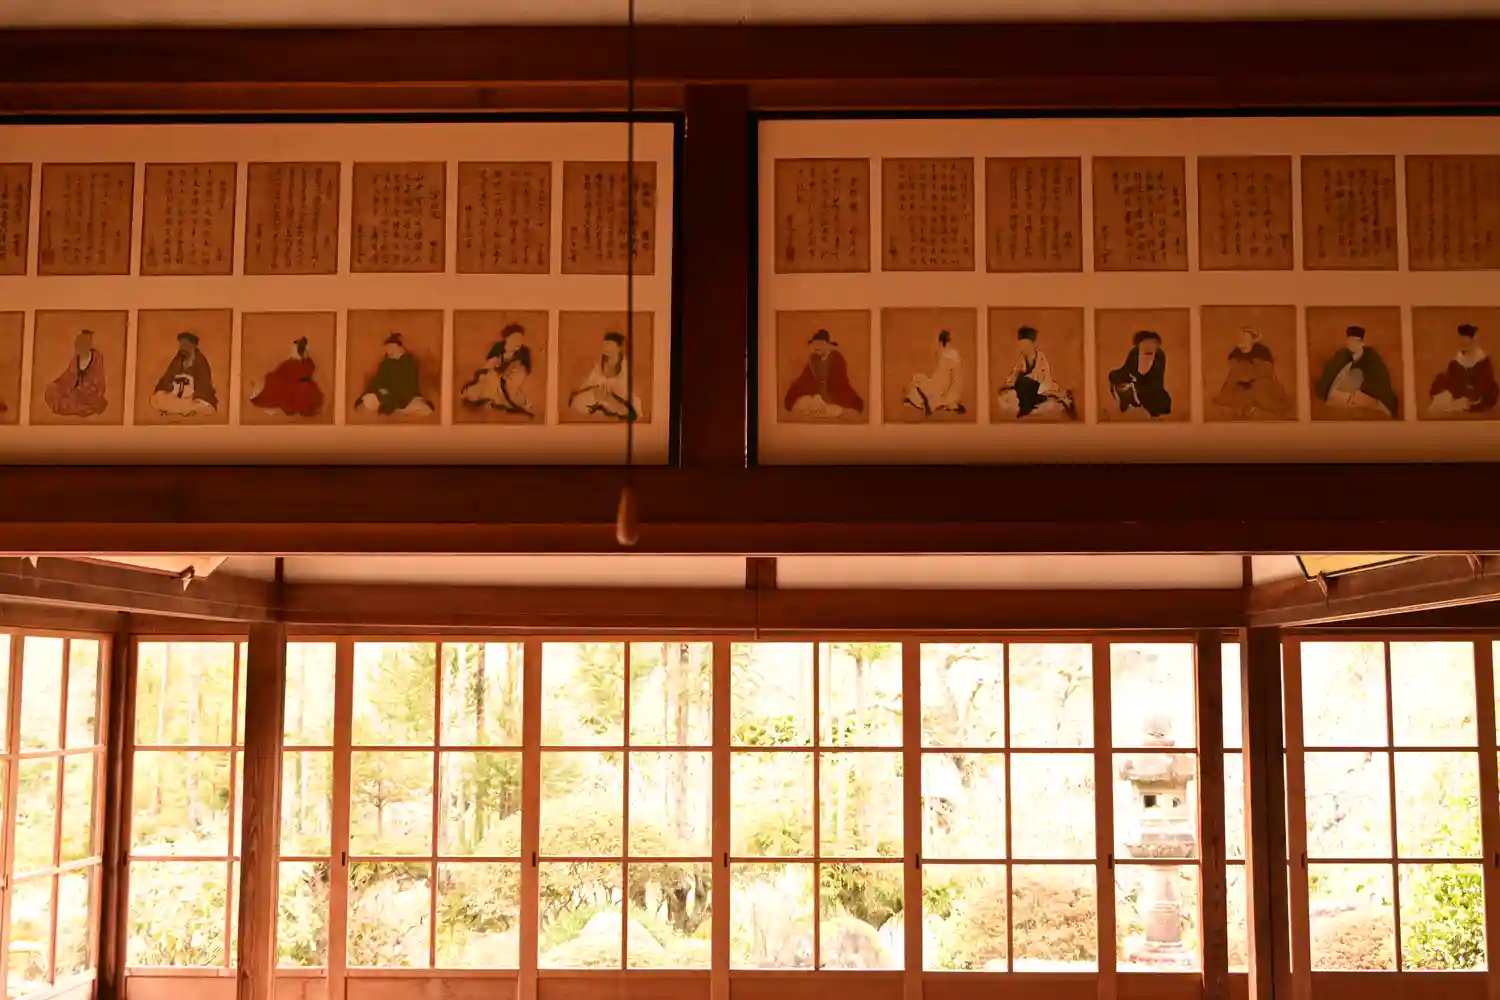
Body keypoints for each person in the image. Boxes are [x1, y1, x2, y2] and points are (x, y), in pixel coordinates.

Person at [1314, 325, 1398, 418]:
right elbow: (1330, 375)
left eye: (1355, 341)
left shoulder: (1372, 358)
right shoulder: (1342, 356)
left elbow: (1378, 383)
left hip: (1366, 394)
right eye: (1350, 341)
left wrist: (1359, 391)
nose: (1352, 344)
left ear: (1362, 343)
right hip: (1344, 394)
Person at [1211, 326, 1293, 420]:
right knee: (1230, 391)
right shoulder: (1234, 354)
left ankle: (1256, 409)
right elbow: (1235, 372)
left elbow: (1265, 371)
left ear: (1252, 340)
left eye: (1245, 338)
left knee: (1261, 393)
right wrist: (1240, 379)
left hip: (1260, 381)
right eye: (1240, 337)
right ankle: (1243, 409)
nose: (1241, 340)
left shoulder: (1262, 351)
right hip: (1240, 382)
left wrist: (1249, 377)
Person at [996, 325, 1076, 420]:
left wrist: (1026, 377)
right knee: (1010, 390)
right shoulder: (1022, 359)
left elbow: (1042, 376)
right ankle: (1025, 406)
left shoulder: (1041, 358)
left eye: (1025, 345)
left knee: (1024, 383)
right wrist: (1010, 381)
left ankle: (1026, 408)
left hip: (1039, 388)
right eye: (1021, 345)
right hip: (1026, 388)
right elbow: (1015, 372)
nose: (1023, 348)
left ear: (1032, 344)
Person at [783, 329, 864, 419]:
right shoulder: (814, 360)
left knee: (833, 409)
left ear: (827, 344)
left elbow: (840, 381)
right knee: (803, 403)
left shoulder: (837, 358)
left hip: (833, 394)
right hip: (816, 394)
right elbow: (805, 379)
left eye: (820, 343)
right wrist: (796, 388)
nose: (817, 347)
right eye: (815, 344)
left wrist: (826, 391)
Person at [462, 323, 535, 418]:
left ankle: (506, 402)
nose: (518, 342)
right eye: (514, 338)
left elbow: (524, 371)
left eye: (520, 339)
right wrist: (500, 361)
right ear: (507, 338)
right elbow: (489, 366)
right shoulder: (498, 347)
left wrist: (510, 375)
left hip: (512, 378)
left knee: (511, 390)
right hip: (494, 376)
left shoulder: (524, 352)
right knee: (478, 389)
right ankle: (490, 399)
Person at [1428, 323, 1498, 416]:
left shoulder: (1482, 361)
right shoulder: (1457, 361)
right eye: (1462, 342)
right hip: (1459, 394)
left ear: (1472, 341)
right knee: (1443, 395)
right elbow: (1452, 379)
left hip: (1476, 394)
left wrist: (1469, 392)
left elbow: (1485, 384)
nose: (1464, 344)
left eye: (1466, 342)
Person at [357, 333, 433, 417]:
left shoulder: (410, 362)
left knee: (421, 408)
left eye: (392, 348)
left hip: (407, 398)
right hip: (385, 397)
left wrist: (390, 392)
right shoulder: (385, 364)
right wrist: (366, 394)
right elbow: (377, 381)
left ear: (401, 348)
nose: (389, 351)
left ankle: (399, 411)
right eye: (387, 349)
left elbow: (410, 386)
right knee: (368, 399)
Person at [568, 331, 640, 420]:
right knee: (578, 401)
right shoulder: (600, 362)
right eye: (604, 344)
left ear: (618, 348)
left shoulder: (624, 364)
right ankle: (601, 408)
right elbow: (593, 379)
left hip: (616, 394)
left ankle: (609, 410)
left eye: (609, 344)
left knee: (631, 406)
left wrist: (610, 386)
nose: (605, 347)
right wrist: (598, 385)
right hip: (600, 392)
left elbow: (623, 383)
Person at [148, 331, 218, 417]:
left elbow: (204, 384)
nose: (183, 347)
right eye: (182, 345)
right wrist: (169, 387)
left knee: (204, 406)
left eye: (186, 345)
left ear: (193, 346)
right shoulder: (177, 359)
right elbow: (167, 377)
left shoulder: (200, 361)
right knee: (156, 399)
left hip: (192, 398)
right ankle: (182, 410)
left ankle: (179, 410)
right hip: (176, 396)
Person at [250, 336, 323, 418]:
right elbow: (284, 371)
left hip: (297, 388)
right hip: (300, 386)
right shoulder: (304, 361)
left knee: (275, 383)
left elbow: (285, 372)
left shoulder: (299, 362)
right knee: (272, 380)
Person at [44, 329, 108, 418]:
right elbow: (67, 375)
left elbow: (99, 383)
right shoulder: (75, 360)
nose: (76, 348)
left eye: (80, 345)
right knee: (51, 391)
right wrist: (56, 383)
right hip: (73, 390)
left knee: (74, 401)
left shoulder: (97, 359)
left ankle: (76, 406)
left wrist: (81, 389)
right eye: (76, 345)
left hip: (87, 394)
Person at [1107, 329, 1172, 418]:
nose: (1149, 346)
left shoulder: (1159, 355)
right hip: (1134, 378)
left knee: (1158, 402)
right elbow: (1128, 368)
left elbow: (1157, 379)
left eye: (1153, 343)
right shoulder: (1134, 352)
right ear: (1139, 344)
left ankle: (1141, 400)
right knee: (1115, 376)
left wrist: (1139, 382)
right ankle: (1126, 398)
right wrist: (1129, 378)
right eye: (1145, 343)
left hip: (1150, 383)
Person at [902, 330, 965, 416]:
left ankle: (924, 401)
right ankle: (923, 400)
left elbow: (943, 376)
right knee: (921, 381)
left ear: (941, 341)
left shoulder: (945, 354)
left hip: (944, 387)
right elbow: (950, 376)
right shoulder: (953, 354)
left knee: (918, 380)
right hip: (949, 386)